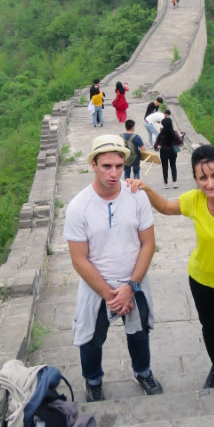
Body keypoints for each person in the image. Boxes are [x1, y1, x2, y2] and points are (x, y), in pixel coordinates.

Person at [128, 145, 214, 410]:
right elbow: (167, 207)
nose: (210, 183)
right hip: (201, 282)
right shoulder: (195, 200)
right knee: (210, 330)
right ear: (195, 179)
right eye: (203, 178)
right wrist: (146, 189)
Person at [64, 134, 163, 402]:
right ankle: (93, 380)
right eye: (107, 166)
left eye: (119, 166)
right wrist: (111, 295)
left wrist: (130, 287)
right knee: (91, 338)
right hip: (97, 285)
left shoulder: (137, 197)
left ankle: (143, 372)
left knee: (140, 331)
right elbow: (79, 259)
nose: (114, 173)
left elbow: (148, 244)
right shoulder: (78, 207)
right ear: (93, 164)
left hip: (134, 280)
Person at [154, 114, 179, 189]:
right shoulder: (174, 133)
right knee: (173, 165)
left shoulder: (161, 134)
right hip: (173, 151)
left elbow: (156, 144)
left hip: (164, 151)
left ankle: (166, 184)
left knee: (164, 167)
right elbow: (179, 141)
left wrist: (156, 148)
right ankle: (175, 183)